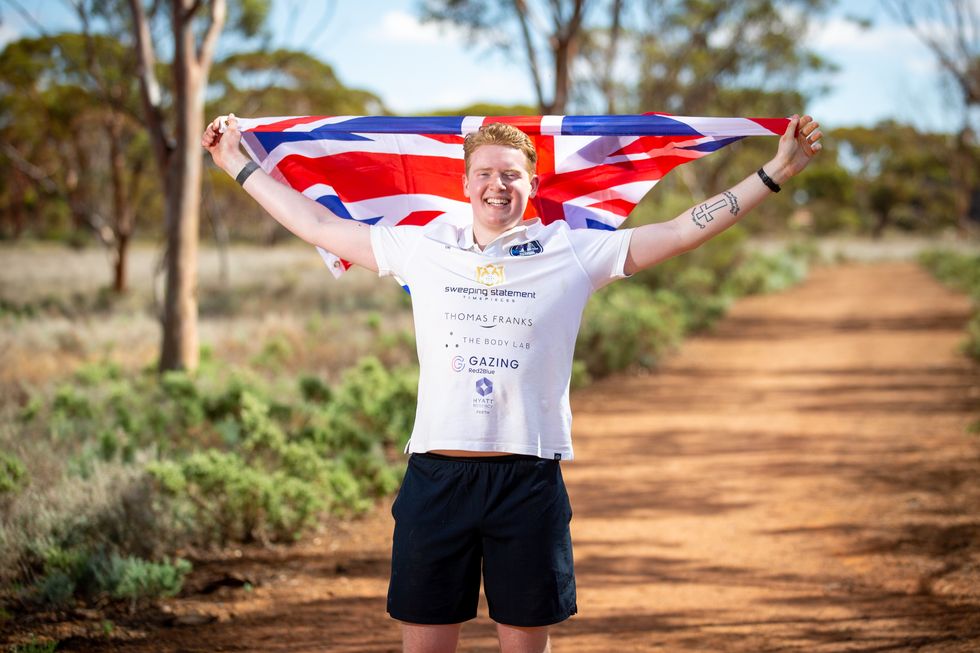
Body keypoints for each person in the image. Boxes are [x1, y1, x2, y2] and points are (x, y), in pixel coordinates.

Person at [202, 112, 822, 653]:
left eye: (511, 175)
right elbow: (313, 223)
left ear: (530, 184)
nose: (497, 185)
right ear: (465, 182)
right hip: (435, 480)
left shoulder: (574, 251)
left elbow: (685, 229)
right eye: (485, 174)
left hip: (527, 482)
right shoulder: (421, 250)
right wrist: (235, 163)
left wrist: (774, 173)